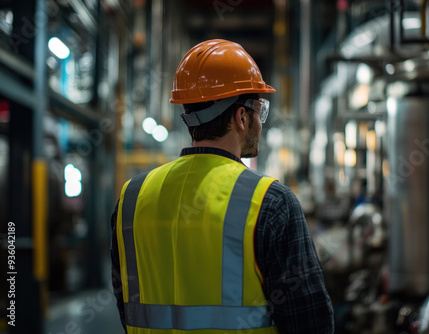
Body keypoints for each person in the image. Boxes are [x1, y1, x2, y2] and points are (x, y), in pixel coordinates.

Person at [110, 39, 334, 333]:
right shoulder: (271, 201)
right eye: (259, 111)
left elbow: (126, 304)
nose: (260, 123)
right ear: (241, 117)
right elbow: (311, 322)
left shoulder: (132, 198)